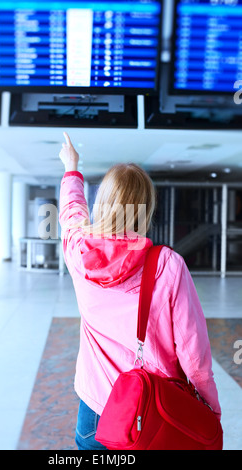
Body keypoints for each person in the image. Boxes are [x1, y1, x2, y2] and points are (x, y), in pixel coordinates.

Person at [59, 133, 221, 451]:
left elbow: (70, 214)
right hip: (154, 413)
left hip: (95, 414)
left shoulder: (78, 252)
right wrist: (210, 408)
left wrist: (71, 167)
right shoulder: (167, 265)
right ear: (145, 209)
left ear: (101, 203)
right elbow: (194, 354)